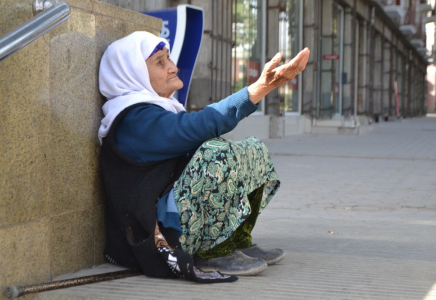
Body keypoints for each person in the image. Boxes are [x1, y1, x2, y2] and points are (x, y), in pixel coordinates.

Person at [98, 31, 309, 283]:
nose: (173, 68)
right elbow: (194, 128)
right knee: (215, 155)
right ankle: (210, 250)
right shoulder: (133, 120)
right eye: (160, 62)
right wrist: (260, 87)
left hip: (175, 209)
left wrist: (263, 88)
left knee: (251, 149)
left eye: (169, 59)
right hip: (157, 232)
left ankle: (233, 238)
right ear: (131, 73)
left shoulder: (157, 109)